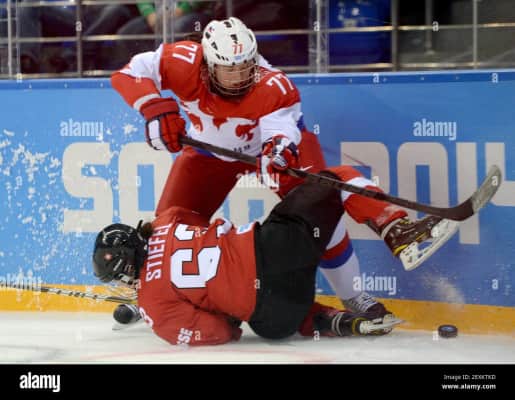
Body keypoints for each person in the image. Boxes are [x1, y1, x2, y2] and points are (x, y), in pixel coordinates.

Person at [110, 17, 456, 325]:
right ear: (207, 64)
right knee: (166, 227)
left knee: (322, 206)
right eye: (229, 69)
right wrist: (153, 107)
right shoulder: (182, 60)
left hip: (266, 150)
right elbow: (127, 73)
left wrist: (277, 153)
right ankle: (155, 296)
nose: (239, 76)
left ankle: (362, 283)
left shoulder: (275, 85)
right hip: (207, 152)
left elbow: (281, 134)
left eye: (246, 66)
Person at [92, 165, 403, 345]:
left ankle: (329, 321)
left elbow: (217, 332)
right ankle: (397, 228)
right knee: (336, 179)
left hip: (275, 318)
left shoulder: (153, 306)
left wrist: (227, 316)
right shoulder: (167, 219)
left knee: (265, 312)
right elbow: (202, 230)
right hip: (277, 249)